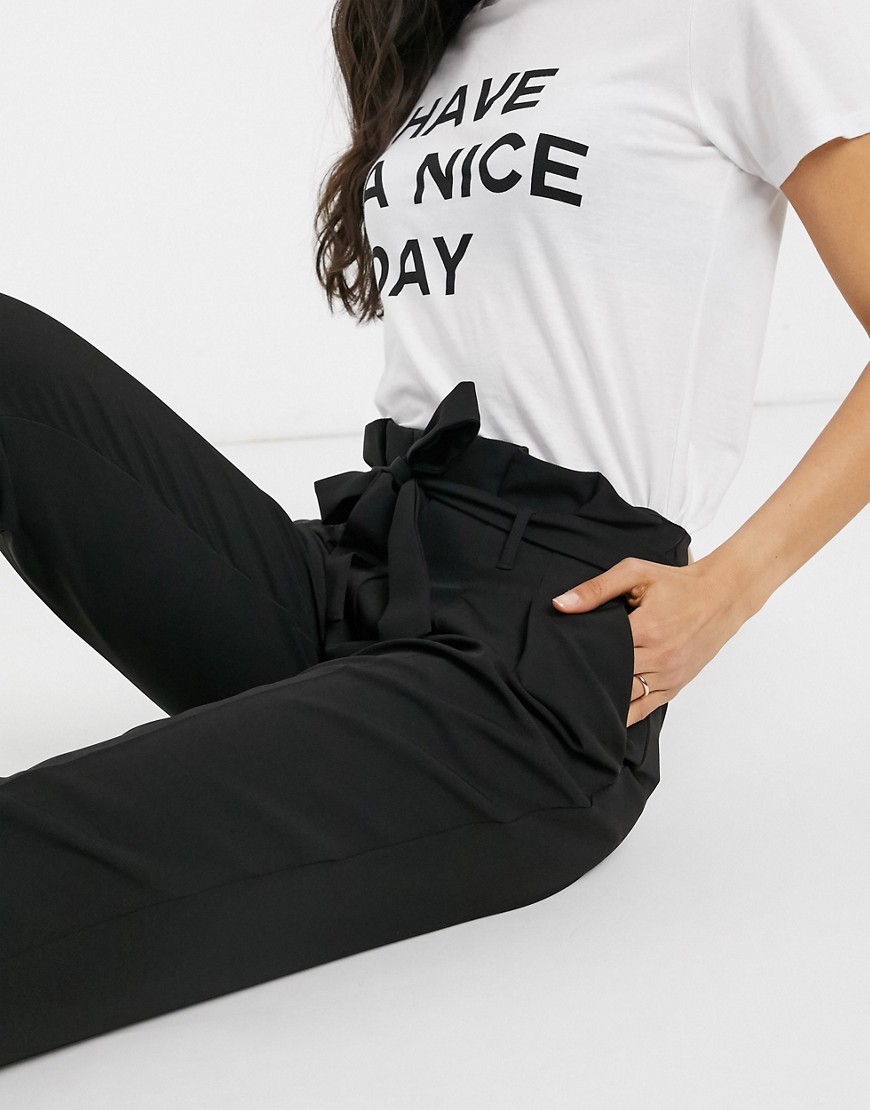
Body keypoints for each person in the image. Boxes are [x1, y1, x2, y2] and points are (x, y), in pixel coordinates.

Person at [1, 0, 868, 1067]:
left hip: (534, 652)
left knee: (52, 845)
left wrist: (730, 590)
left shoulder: (727, 16)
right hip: (363, 566)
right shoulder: (443, 36)